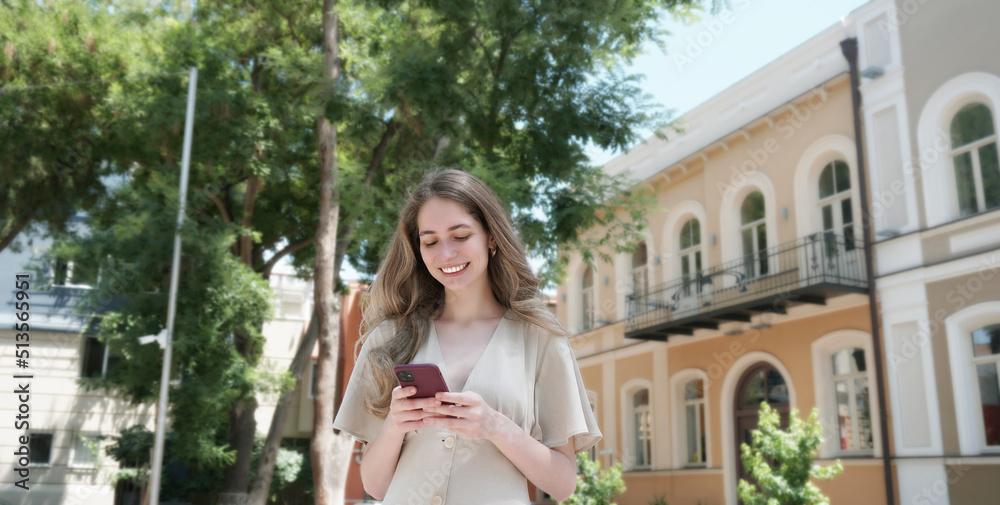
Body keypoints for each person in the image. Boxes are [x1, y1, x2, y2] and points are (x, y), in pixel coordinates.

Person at [333, 169, 601, 505]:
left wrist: (495, 426)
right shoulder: (389, 337)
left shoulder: (541, 338)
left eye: (460, 236)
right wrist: (394, 425)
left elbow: (563, 484)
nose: (446, 254)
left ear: (491, 237)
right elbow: (375, 485)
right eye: (430, 241)